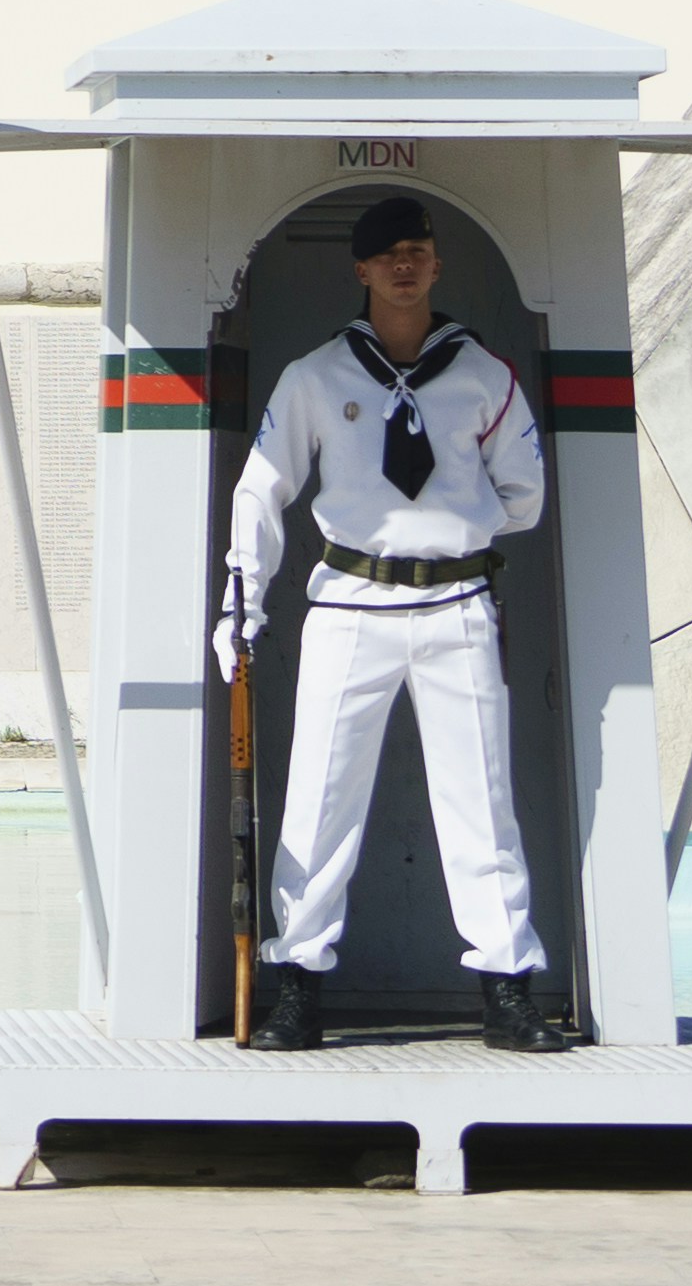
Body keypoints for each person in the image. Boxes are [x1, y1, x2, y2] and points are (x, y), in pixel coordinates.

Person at [216, 189, 568, 1053]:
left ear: (437, 264)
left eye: (419, 249)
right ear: (362, 270)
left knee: (481, 800)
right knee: (319, 799)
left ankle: (507, 989)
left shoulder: (482, 375)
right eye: (389, 253)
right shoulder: (316, 377)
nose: (406, 264)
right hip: (351, 602)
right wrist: (242, 599)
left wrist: (451, 529)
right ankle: (297, 983)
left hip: (455, 604)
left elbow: (526, 498)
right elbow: (263, 488)